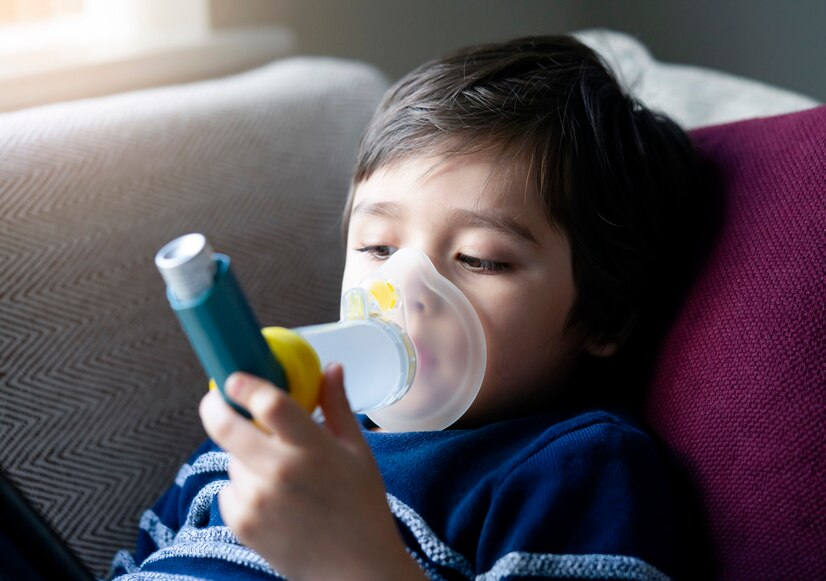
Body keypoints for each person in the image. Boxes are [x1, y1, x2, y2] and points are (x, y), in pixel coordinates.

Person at [111, 35, 710, 580]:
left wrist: (354, 563)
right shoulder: (268, 428)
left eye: (479, 259)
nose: (402, 292)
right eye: (378, 247)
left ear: (604, 316)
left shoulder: (574, 471)